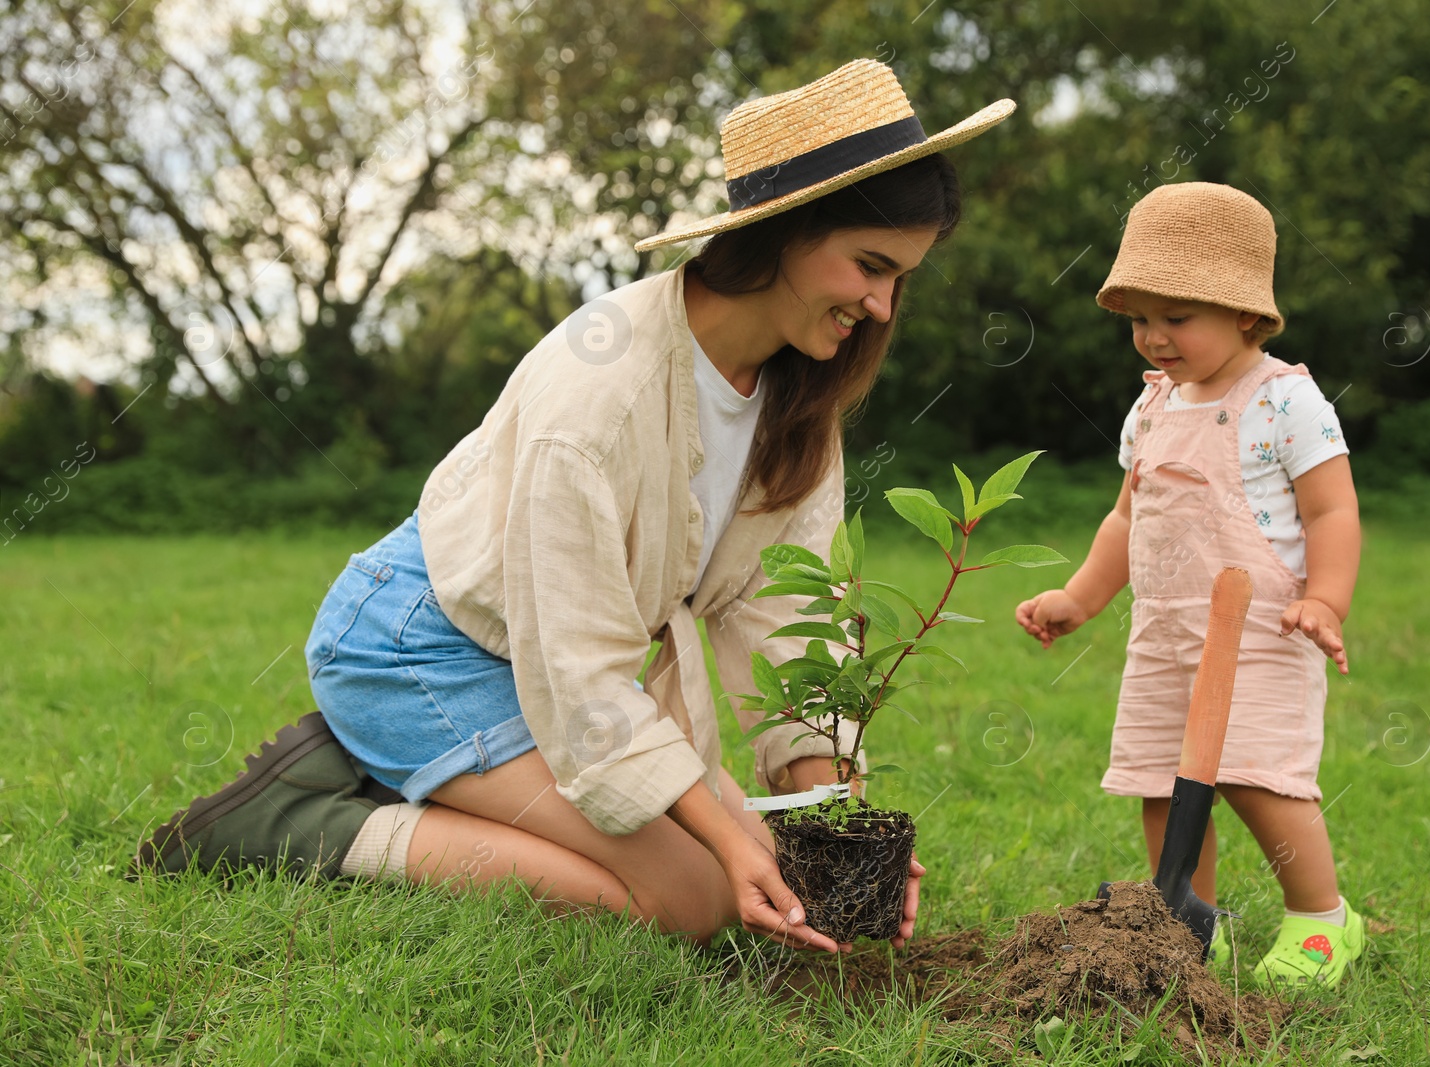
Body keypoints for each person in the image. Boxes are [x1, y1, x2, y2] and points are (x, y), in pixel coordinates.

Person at [131, 59, 1014, 955]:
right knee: (694, 900)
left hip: (547, 663)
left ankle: (431, 783)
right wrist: (716, 833)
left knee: (764, 863)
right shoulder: (600, 392)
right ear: (785, 230)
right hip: (425, 649)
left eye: (901, 278)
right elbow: (582, 668)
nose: (880, 305)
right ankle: (310, 820)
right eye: (870, 266)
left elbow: (789, 616)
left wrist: (834, 836)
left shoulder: (799, 404)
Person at [1015, 182, 1366, 985]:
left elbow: (1332, 510)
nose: (1153, 337)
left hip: (1263, 633)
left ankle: (1322, 920)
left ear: (1245, 313)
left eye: (1177, 317)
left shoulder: (1285, 400)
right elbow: (1125, 518)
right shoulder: (1152, 408)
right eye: (1140, 317)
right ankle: (1182, 921)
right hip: (1166, 633)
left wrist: (1326, 599)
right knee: (1158, 782)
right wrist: (1079, 595)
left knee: (1256, 776)